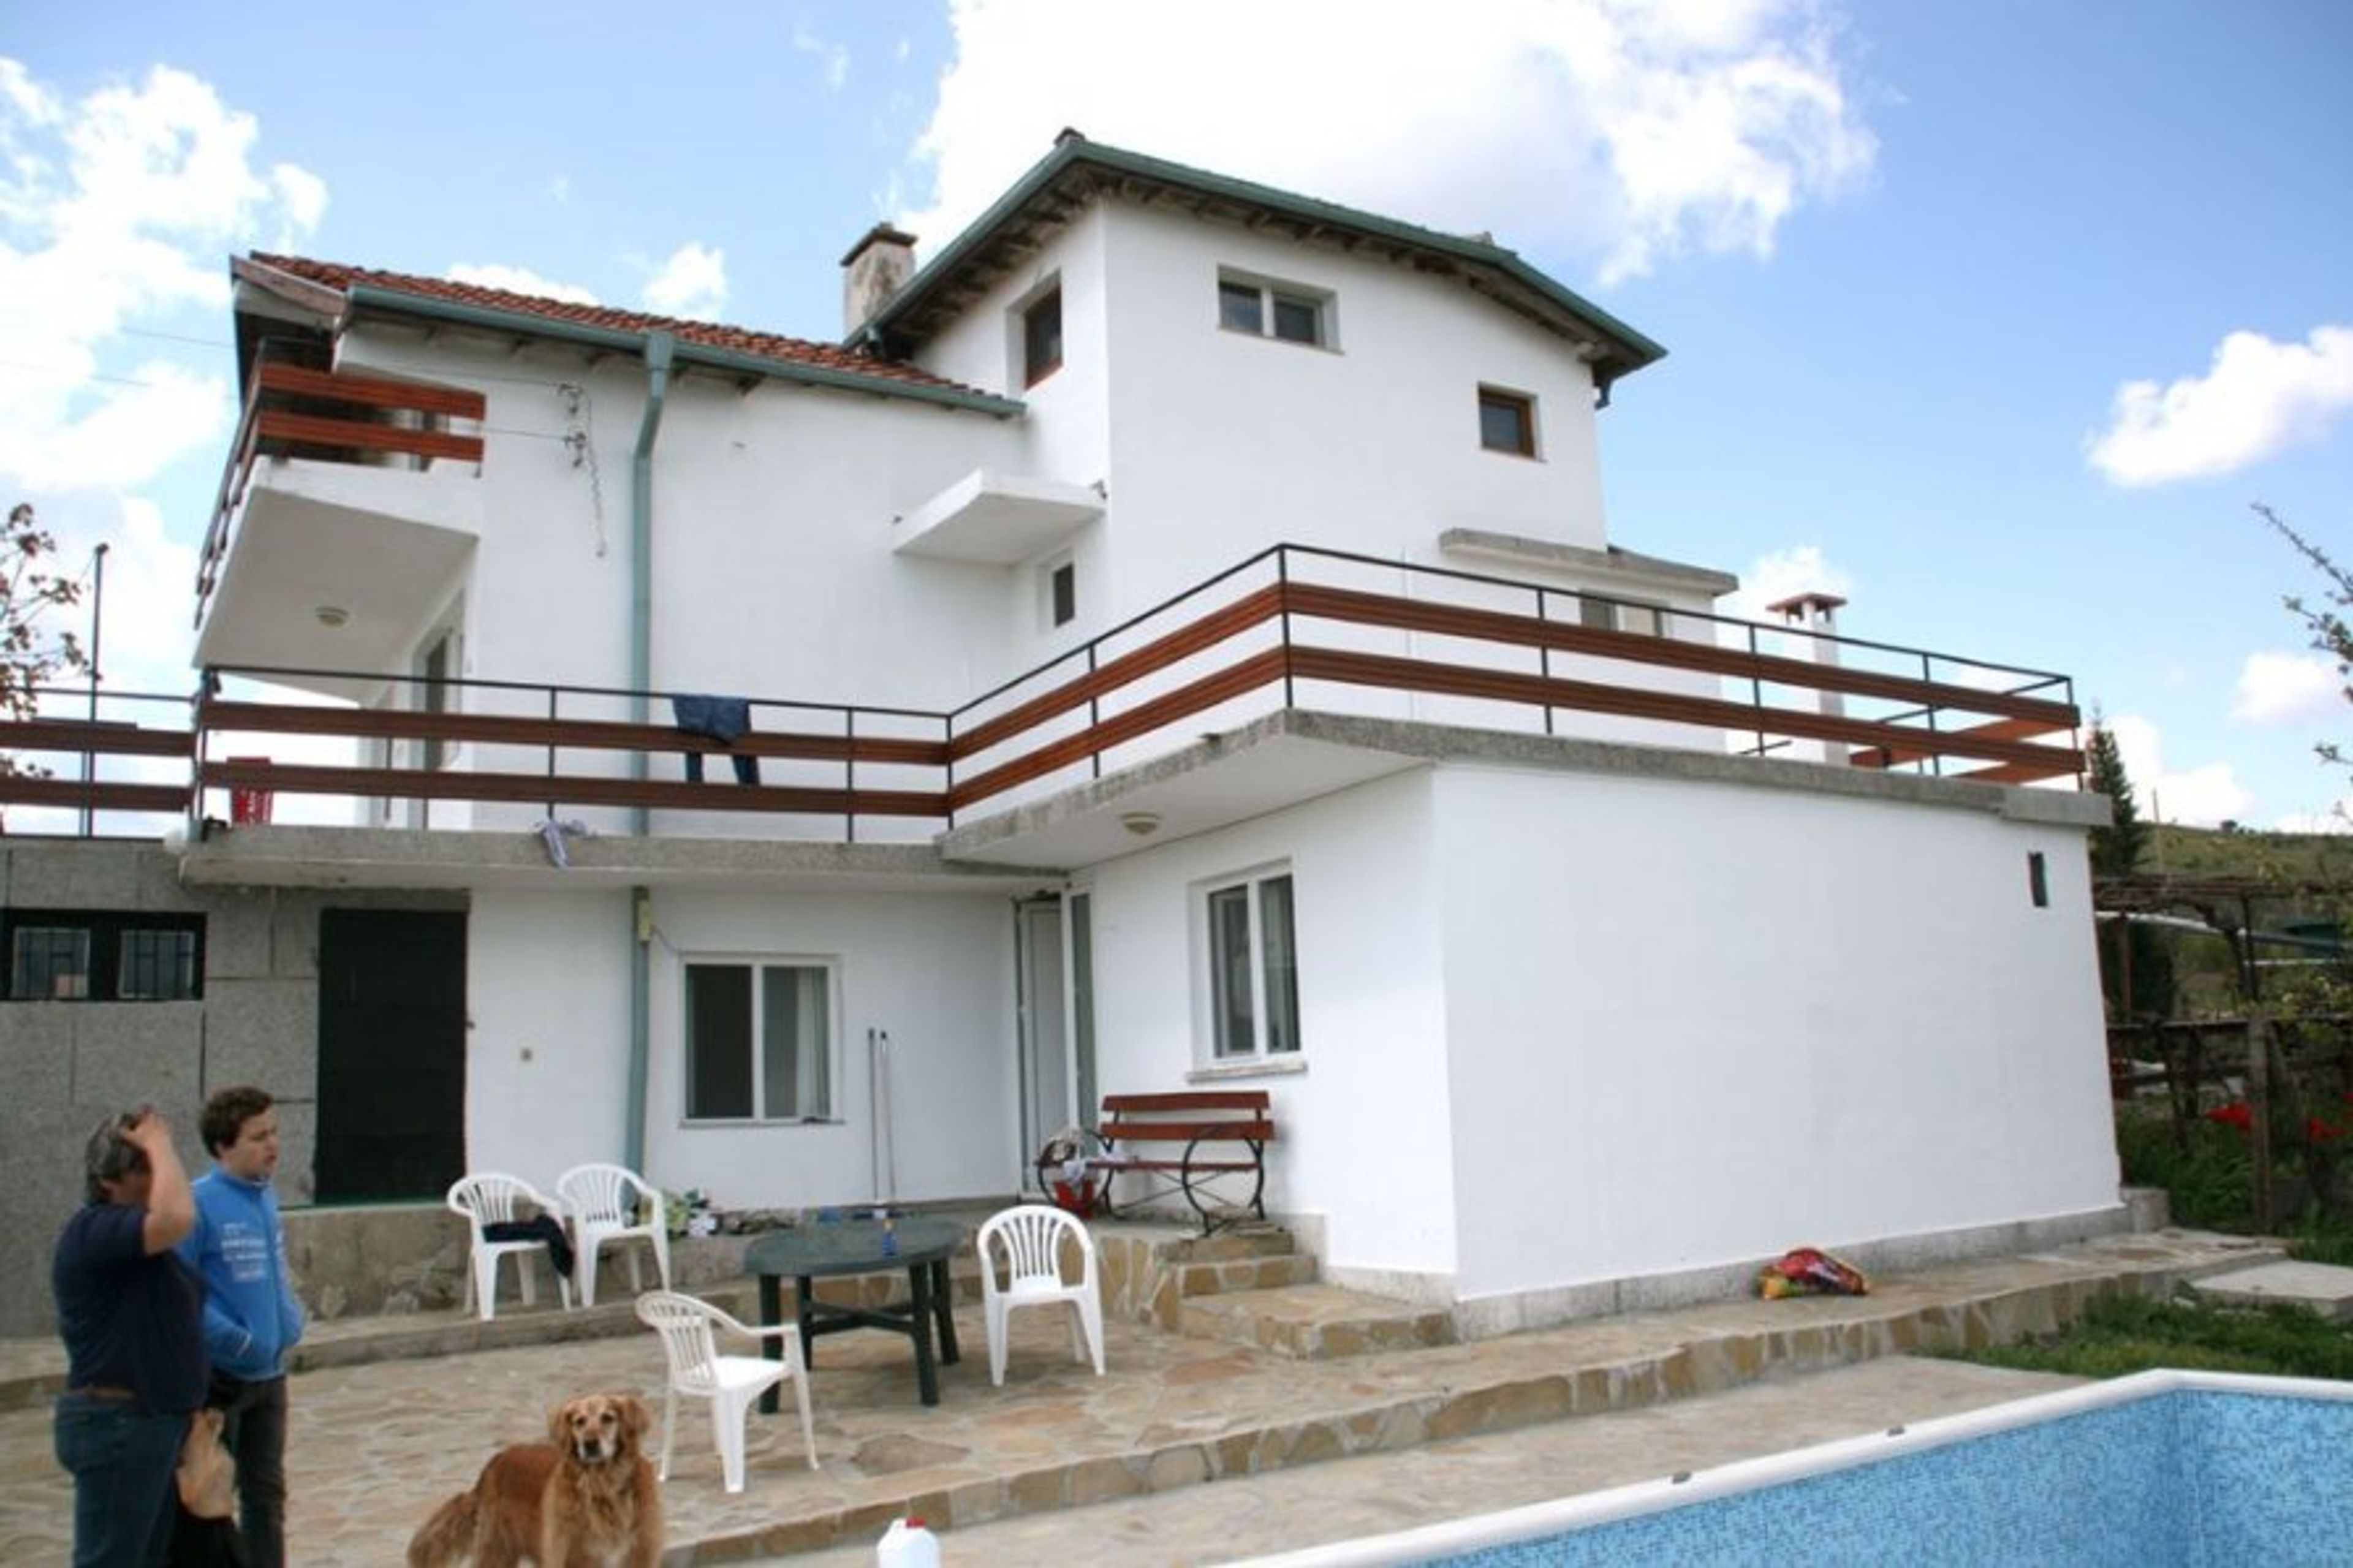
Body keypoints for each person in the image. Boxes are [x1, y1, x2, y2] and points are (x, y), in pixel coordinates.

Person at [52, 1105, 208, 1567]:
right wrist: (159, 1141)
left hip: (153, 1422)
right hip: (120, 1422)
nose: (154, 1177)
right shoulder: (94, 1231)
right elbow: (177, 1217)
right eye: (141, 1169)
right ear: (107, 1181)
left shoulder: (139, 1248)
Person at [178, 1088, 304, 1568]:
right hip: (223, 1381)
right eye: (258, 1136)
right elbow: (182, 1293)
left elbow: (273, 1268)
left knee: (267, 1496)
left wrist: (290, 1317)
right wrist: (234, 1338)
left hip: (269, 1376)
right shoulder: (199, 1204)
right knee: (210, 1500)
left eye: (274, 1132)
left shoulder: (266, 1196)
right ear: (223, 1145)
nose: (272, 1144)